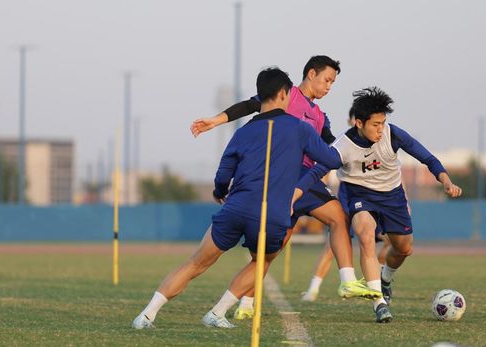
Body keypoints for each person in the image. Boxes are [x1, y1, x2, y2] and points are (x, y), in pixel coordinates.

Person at [132, 67, 347, 330]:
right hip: (271, 214)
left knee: (196, 263)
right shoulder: (299, 129)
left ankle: (146, 315)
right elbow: (333, 160)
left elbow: (223, 174)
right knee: (262, 262)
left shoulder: (242, 132)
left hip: (234, 208)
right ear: (284, 93)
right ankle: (217, 312)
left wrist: (220, 193)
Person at [190, 56, 380, 320]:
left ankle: (242, 305)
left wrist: (362, 140)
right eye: (327, 80)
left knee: (277, 249)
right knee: (334, 219)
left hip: (299, 180)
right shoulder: (286, 95)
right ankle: (345, 281)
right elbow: (249, 105)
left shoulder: (319, 116)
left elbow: (331, 147)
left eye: (333, 83)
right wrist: (215, 121)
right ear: (311, 74)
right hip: (288, 176)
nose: (328, 87)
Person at [298, 87, 463, 322]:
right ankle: (379, 303)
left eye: (383, 122)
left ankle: (386, 278)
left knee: (404, 248)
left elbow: (427, 158)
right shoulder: (343, 147)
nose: (380, 129)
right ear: (359, 123)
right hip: (359, 195)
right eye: (375, 124)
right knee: (366, 234)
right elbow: (317, 171)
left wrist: (445, 180)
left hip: (392, 196)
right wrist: (294, 193)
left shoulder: (393, 135)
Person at [301, 108, 391, 302]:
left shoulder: (379, 142)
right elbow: (325, 165)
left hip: (373, 201)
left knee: (390, 241)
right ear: (354, 121)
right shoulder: (343, 144)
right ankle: (313, 290)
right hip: (348, 200)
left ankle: (378, 278)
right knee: (331, 247)